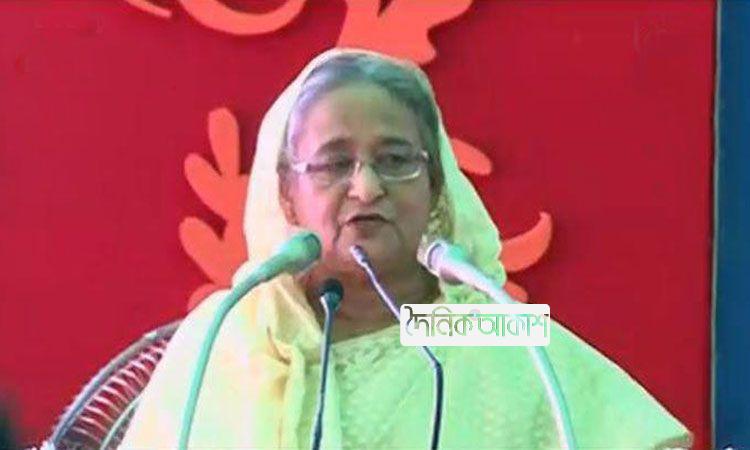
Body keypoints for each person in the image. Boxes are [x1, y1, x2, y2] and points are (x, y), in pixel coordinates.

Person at [120, 48, 692, 449]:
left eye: (395, 160)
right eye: (335, 163)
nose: (367, 187)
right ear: (287, 194)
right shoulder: (231, 333)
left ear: (436, 187)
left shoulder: (493, 326)